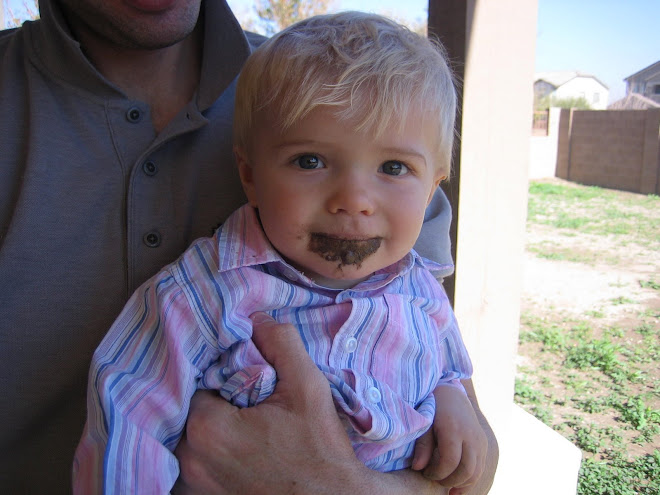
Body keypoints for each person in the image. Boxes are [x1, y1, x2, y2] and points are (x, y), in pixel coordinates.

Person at [0, 1, 497, 493]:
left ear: (433, 185)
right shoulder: (207, 292)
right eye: (310, 162)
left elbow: (452, 381)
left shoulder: (411, 276)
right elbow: (130, 417)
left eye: (393, 168)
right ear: (249, 176)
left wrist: (449, 395)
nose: (354, 201)